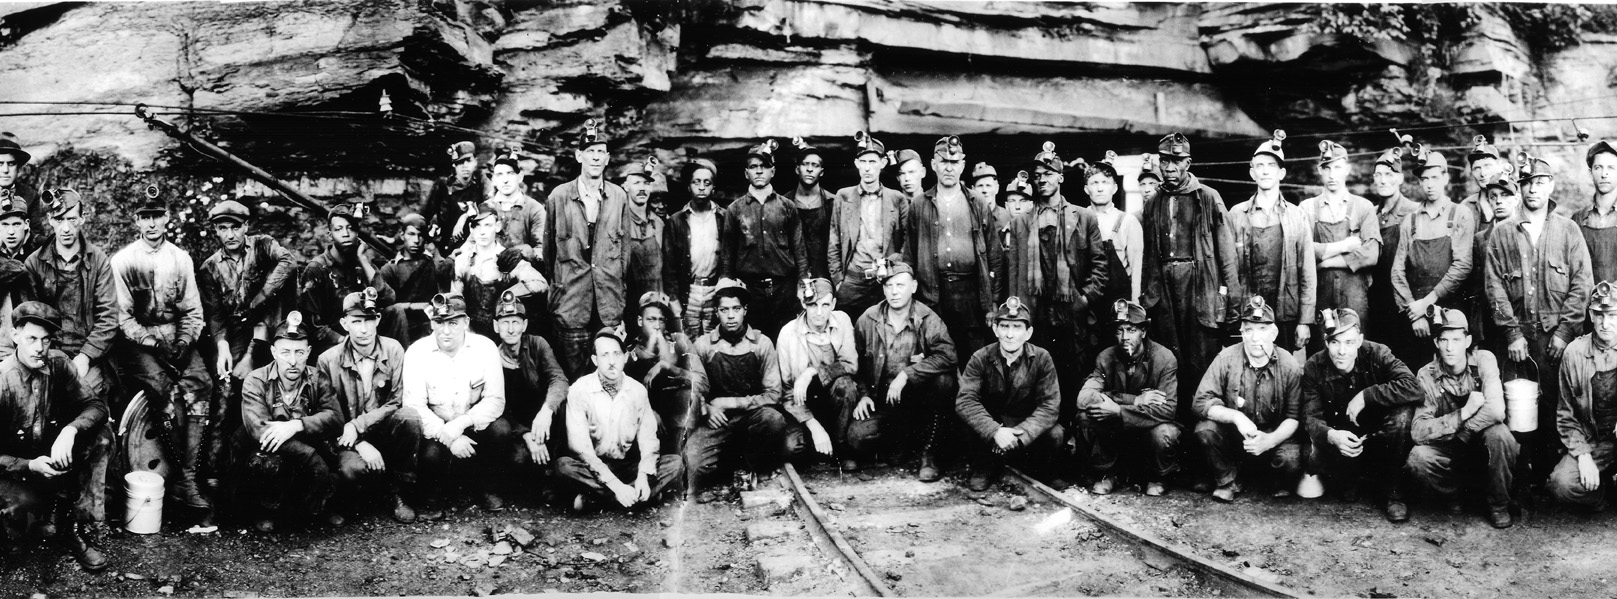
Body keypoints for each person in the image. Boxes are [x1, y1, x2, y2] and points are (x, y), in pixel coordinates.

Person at [1484, 153, 1594, 485]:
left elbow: (1582, 284)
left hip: (1556, 338)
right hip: (1518, 340)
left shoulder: (1569, 230)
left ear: (1551, 186)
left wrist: (1564, 333)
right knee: (1517, 408)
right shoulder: (1502, 233)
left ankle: (1551, 478)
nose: (1533, 190)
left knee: (1556, 406)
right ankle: (1519, 481)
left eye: (1540, 183)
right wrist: (1512, 334)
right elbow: (1494, 287)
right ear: (1521, 187)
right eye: (1527, 183)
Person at [110, 186, 214, 526]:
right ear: (136, 220)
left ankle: (187, 477)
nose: (151, 223)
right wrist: (152, 343)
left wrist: (184, 343)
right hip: (140, 342)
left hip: (177, 336)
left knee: (201, 386)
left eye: (156, 215)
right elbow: (123, 317)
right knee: (164, 392)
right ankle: (177, 478)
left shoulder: (180, 259)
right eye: (145, 217)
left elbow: (192, 311)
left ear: (166, 217)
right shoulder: (124, 261)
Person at [0, 302, 111, 571]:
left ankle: (70, 527)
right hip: (11, 468)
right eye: (31, 339)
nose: (39, 348)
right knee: (21, 521)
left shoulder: (59, 364)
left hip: (48, 457)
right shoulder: (3, 380)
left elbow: (96, 406)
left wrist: (70, 430)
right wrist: (28, 465)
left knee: (101, 438)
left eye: (46, 339)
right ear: (15, 336)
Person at [1005, 141, 1108, 423]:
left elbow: (1100, 266)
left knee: (1074, 375)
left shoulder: (1083, 217)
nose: (1041, 179)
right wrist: (1018, 317)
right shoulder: (1020, 222)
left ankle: (1076, 438)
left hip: (1072, 313)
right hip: (1035, 313)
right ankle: (1046, 438)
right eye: (1037, 175)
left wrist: (1085, 299)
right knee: (1037, 378)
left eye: (1048, 173)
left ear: (1060, 177)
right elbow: (1013, 271)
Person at [1139, 133, 1240, 416]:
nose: (1169, 167)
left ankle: (1204, 427)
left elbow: (1228, 257)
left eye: (1177, 161)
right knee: (1169, 361)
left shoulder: (1207, 198)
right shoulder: (1153, 203)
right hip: (1165, 295)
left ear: (1188, 163)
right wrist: (1148, 299)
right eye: (1164, 161)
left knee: (1202, 364)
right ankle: (1175, 424)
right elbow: (1148, 258)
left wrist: (1233, 308)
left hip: (1200, 291)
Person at [198, 198, 298, 481]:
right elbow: (215, 316)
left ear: (246, 227)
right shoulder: (209, 268)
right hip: (235, 333)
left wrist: (259, 299)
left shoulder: (263, 246)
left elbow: (288, 262)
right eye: (222, 228)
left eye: (235, 227)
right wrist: (222, 346)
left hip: (270, 325)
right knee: (225, 392)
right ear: (216, 231)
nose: (229, 235)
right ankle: (214, 474)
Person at [401, 293, 519, 516]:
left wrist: (462, 424)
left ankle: (486, 488)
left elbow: (495, 400)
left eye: (453, 323)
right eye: (439, 323)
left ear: (466, 322)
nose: (446, 331)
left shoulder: (485, 348)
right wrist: (451, 435)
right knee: (430, 456)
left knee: (501, 430)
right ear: (432, 323)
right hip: (437, 430)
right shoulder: (417, 352)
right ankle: (432, 496)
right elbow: (415, 406)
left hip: (472, 425)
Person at [314, 288, 425, 524]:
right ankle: (352, 499)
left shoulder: (393, 349)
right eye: (356, 321)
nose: (364, 329)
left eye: (369, 320)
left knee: (410, 417)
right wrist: (359, 440)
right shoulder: (327, 360)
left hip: (381, 428)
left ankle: (397, 492)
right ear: (344, 323)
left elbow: (397, 400)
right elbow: (328, 413)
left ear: (378, 320)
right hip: (345, 437)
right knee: (352, 470)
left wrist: (359, 425)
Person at [684, 283, 803, 501]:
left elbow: (773, 395)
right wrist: (707, 407)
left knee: (774, 420)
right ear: (717, 312)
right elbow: (695, 387)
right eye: (724, 310)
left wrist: (729, 402)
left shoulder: (761, 344)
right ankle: (731, 463)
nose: (730, 316)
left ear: (745, 310)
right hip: (717, 421)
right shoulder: (702, 346)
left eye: (736, 309)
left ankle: (747, 466)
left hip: (752, 417)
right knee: (694, 464)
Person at [1300, 308, 1421, 522]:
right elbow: (1311, 417)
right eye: (1335, 342)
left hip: (1379, 438)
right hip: (1343, 441)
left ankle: (1392, 488)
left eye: (1349, 342)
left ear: (1359, 340)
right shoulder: (1314, 366)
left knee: (1402, 415)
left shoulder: (1378, 353)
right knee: (1311, 457)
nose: (1342, 351)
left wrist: (1367, 395)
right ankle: (1351, 476)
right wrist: (1332, 436)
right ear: (1326, 343)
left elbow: (1413, 387)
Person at [1405, 307, 1517, 528]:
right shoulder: (1426, 374)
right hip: (1449, 447)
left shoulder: (1484, 360)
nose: (1449, 347)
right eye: (1443, 340)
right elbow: (1418, 431)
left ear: (1468, 341)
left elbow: (1496, 410)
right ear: (1436, 343)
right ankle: (1454, 495)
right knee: (1418, 458)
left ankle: (1498, 504)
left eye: (1456, 339)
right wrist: (1463, 413)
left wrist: (1464, 433)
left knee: (1501, 435)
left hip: (1477, 441)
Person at [851, 255, 958, 481]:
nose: (894, 292)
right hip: (883, 401)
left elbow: (948, 356)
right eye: (889, 286)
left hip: (917, 401)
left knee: (944, 382)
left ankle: (930, 454)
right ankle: (899, 442)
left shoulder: (927, 318)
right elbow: (856, 365)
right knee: (857, 438)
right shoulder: (868, 319)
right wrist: (862, 395)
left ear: (914, 287)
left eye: (900, 285)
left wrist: (907, 374)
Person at [555, 329, 685, 511]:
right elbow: (582, 450)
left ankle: (596, 501)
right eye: (604, 355)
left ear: (625, 357)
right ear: (595, 360)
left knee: (675, 464)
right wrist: (616, 486)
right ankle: (637, 498)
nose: (611, 362)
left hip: (626, 466)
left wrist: (642, 476)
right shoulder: (580, 390)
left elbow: (649, 441)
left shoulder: (638, 391)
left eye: (616, 354)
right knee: (563, 467)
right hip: (591, 466)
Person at [237, 311, 342, 532]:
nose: (292, 361)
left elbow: (335, 417)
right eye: (285, 352)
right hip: (272, 452)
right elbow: (259, 430)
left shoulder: (317, 379)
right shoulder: (256, 380)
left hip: (303, 444)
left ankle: (317, 507)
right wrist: (310, 456)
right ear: (274, 352)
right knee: (264, 462)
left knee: (331, 455)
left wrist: (296, 425)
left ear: (309, 352)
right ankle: (267, 508)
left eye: (299, 352)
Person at [1191, 296, 1303, 502]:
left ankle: (1273, 481)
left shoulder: (1289, 365)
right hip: (1236, 440)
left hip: (1272, 437)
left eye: (1262, 330)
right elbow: (1200, 402)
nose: (1255, 337)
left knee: (1291, 458)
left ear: (1274, 333)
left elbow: (1294, 416)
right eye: (1248, 330)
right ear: (1241, 333)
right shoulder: (1226, 359)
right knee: (1205, 430)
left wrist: (1270, 441)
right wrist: (1235, 417)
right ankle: (1228, 480)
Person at [545, 119, 631, 378]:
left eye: (600, 152)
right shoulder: (558, 196)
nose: (595, 157)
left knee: (610, 375)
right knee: (573, 379)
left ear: (607, 158)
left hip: (608, 306)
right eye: (590, 151)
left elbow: (625, 254)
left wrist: (617, 292)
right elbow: (549, 254)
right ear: (578, 155)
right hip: (572, 305)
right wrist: (563, 288)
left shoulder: (619, 197)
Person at [22, 190, 117, 423]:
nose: (66, 228)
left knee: (91, 409)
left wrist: (85, 357)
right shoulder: (34, 263)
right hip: (48, 353)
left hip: (88, 355)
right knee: (42, 413)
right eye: (59, 219)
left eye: (72, 219)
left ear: (82, 220)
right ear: (50, 221)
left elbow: (109, 317)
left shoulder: (98, 260)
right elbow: (31, 319)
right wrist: (51, 356)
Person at [906, 135, 1003, 357]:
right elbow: (909, 256)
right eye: (943, 162)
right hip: (933, 291)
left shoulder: (977, 202)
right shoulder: (919, 205)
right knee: (936, 352)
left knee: (973, 353)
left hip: (971, 292)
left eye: (954, 162)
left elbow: (995, 256)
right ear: (933, 165)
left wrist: (993, 302)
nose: (949, 168)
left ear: (962, 165)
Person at [955, 297, 1065, 492]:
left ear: (1028, 333)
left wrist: (1019, 436)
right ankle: (983, 466)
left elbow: (1050, 405)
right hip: (992, 428)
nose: (1010, 335)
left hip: (1023, 429)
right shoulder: (980, 357)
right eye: (1004, 326)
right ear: (995, 330)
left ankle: (1041, 471)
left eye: (1017, 328)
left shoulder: (1042, 358)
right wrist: (995, 431)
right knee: (968, 424)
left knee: (1055, 434)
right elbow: (966, 401)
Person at [1075, 299, 1180, 496]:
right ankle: (1108, 473)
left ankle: (1157, 476)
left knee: (1165, 432)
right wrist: (1134, 401)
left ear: (1144, 332)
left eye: (1131, 330)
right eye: (1119, 330)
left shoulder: (1164, 359)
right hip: (1118, 430)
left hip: (1147, 429)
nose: (1124, 337)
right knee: (1084, 418)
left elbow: (1168, 410)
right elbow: (1084, 398)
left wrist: (1118, 410)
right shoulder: (1105, 357)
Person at [1227, 131, 1314, 351]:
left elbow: (1308, 272)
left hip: (1285, 313)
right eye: (1260, 165)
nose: (1265, 170)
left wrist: (1305, 321)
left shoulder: (1296, 215)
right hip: (1246, 313)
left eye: (1271, 165)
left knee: (1282, 370)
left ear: (1282, 173)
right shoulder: (1237, 214)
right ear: (1252, 172)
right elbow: (1227, 269)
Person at [1391, 151, 1475, 370]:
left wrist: (1427, 303)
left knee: (1453, 371)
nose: (1429, 184)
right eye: (1424, 179)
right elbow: (1397, 272)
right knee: (1417, 372)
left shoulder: (1460, 214)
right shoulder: (1409, 222)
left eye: (1435, 177)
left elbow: (1462, 266)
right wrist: (1414, 314)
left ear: (1446, 178)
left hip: (1451, 315)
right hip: (1415, 318)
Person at [724, 139, 811, 337]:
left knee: (785, 340)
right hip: (749, 289)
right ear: (746, 173)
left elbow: (799, 249)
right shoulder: (735, 209)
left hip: (784, 288)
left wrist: (802, 284)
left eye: (764, 166)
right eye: (753, 167)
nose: (759, 171)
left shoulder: (787, 206)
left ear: (773, 171)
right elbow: (728, 254)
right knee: (753, 342)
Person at [1301, 140, 1381, 344]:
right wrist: (1345, 246)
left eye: (1337, 167)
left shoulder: (1364, 207)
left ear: (1347, 169)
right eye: (1327, 168)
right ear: (1320, 170)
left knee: (1356, 353)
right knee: (1320, 355)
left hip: (1355, 298)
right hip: (1319, 298)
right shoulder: (1307, 208)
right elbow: (1303, 251)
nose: (1332, 174)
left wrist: (1325, 262)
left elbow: (1371, 254)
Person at [1548, 281, 1617, 509]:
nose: (1605, 324)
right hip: (1593, 441)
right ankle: (1604, 492)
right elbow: (1565, 415)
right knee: (1561, 485)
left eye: (1613, 315)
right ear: (1590, 315)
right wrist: (1583, 455)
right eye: (1599, 315)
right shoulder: (1574, 353)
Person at [489, 291, 570, 483]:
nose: (510, 329)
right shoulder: (490, 356)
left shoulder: (537, 344)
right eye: (504, 322)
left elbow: (559, 380)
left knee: (566, 407)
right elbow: (498, 407)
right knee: (519, 461)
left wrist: (546, 411)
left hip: (543, 421)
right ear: (495, 325)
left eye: (515, 322)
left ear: (524, 325)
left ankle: (554, 474)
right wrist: (525, 435)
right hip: (515, 426)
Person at [776, 279, 857, 468]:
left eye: (825, 305)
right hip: (801, 404)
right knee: (792, 448)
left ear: (833, 304)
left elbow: (851, 365)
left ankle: (840, 446)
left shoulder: (842, 321)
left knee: (846, 385)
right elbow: (786, 390)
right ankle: (816, 445)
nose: (819, 312)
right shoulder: (788, 334)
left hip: (834, 401)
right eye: (812, 305)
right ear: (804, 304)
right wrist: (813, 424)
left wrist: (811, 372)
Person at [300, 202, 393, 361]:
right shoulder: (317, 269)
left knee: (395, 312)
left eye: (350, 228)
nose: (345, 234)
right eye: (338, 229)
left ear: (357, 233)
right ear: (330, 235)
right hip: (333, 344)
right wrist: (346, 342)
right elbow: (314, 327)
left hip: (362, 333)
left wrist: (363, 260)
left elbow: (387, 298)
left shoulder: (360, 263)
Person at [830, 131, 908, 320]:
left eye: (873, 162)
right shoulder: (844, 196)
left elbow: (907, 241)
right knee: (849, 328)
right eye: (863, 162)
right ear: (856, 164)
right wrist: (839, 280)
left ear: (882, 163)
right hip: (853, 279)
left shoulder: (897, 199)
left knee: (882, 328)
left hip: (885, 278)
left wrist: (893, 268)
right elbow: (833, 241)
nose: (867, 168)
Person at [623, 291, 707, 455]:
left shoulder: (680, 343)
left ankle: (677, 457)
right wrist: (647, 411)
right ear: (640, 321)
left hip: (678, 421)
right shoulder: (630, 354)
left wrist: (668, 367)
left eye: (661, 320)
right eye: (651, 319)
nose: (657, 325)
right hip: (645, 422)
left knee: (688, 397)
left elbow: (703, 382)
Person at [1368, 147, 1423, 363]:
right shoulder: (1370, 214)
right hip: (1375, 303)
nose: (1383, 180)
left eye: (1389, 175)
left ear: (1400, 178)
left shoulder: (1413, 212)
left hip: (1402, 303)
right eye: (1378, 175)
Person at [664, 158, 730, 337]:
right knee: (688, 344)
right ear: (688, 187)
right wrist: (674, 299)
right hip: (689, 292)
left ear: (713, 188)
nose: (701, 187)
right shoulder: (676, 221)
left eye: (707, 183)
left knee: (714, 341)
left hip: (715, 290)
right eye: (696, 182)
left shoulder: (724, 218)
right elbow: (669, 267)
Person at [377, 214, 452, 346]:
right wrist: (412, 307)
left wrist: (435, 251)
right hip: (401, 330)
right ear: (402, 235)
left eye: (421, 235)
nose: (416, 240)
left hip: (430, 326)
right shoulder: (391, 269)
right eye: (411, 234)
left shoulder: (433, 263)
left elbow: (444, 278)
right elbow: (385, 310)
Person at [1086, 151, 1143, 309]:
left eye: (1105, 182)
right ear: (1086, 189)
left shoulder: (1127, 221)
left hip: (1118, 301)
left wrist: (1134, 306)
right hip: (1087, 300)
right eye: (1094, 183)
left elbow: (1137, 269)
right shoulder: (1079, 219)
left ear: (1115, 188)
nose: (1099, 188)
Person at [420, 140, 485, 254]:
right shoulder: (443, 186)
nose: (465, 166)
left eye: (468, 161)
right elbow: (424, 215)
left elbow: (489, 206)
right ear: (454, 165)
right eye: (460, 162)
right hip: (447, 247)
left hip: (475, 247)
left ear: (475, 162)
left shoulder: (480, 182)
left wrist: (464, 217)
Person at [618, 157, 666, 310]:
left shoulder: (658, 224)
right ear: (625, 186)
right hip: (627, 303)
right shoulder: (616, 222)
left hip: (655, 303)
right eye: (636, 183)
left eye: (646, 183)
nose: (642, 188)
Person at [789, 137, 835, 280]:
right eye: (805, 164)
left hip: (824, 272)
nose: (809, 169)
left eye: (815, 165)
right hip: (792, 272)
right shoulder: (785, 202)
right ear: (797, 169)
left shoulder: (832, 202)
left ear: (821, 172)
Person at [1576, 140, 1617, 286]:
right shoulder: (1577, 219)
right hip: (1587, 303)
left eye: (1611, 168)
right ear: (1590, 173)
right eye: (1598, 167)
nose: (1604, 174)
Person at [0, 133, 46, 241]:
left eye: (11, 164)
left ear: (19, 168)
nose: (5, 170)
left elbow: (36, 232)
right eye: (0, 164)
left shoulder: (30, 195)